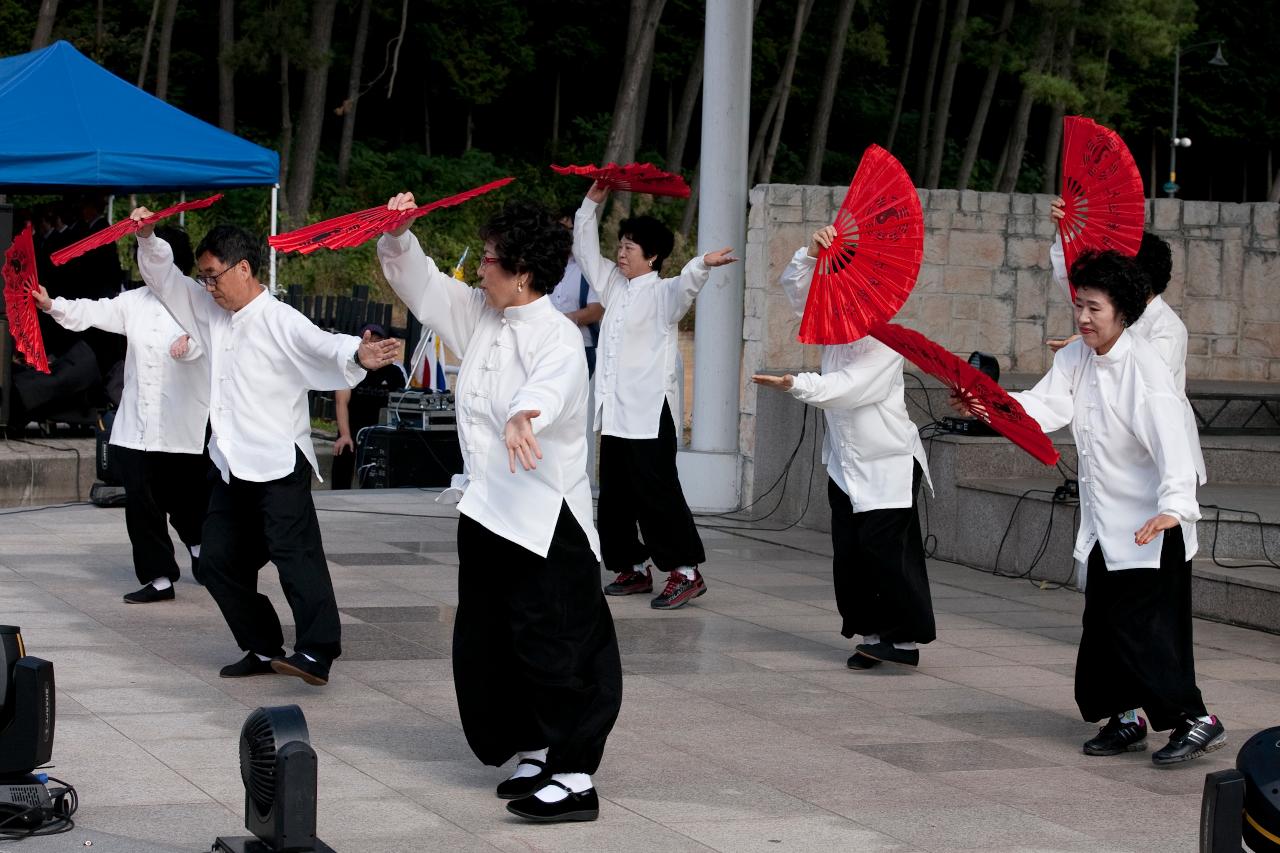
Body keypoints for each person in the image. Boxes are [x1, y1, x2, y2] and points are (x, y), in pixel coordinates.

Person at [378, 195, 622, 824]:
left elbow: (554, 390)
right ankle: (536, 748)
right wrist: (399, 231)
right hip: (487, 507)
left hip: (547, 518)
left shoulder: (558, 337)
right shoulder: (479, 314)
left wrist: (523, 414)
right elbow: (421, 281)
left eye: (489, 260)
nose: (479, 268)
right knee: (492, 642)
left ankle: (574, 776)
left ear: (521, 273)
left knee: (557, 642)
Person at [133, 211, 400, 687]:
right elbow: (165, 280)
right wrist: (147, 236)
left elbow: (323, 346)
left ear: (243, 269)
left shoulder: (279, 319)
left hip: (279, 462)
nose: (208, 286)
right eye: (203, 277)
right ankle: (260, 645)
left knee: (296, 557)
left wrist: (358, 355)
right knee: (215, 560)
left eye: (214, 276)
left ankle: (318, 651)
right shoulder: (209, 311)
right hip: (231, 465)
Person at [997, 249, 1223, 765]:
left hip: (1151, 524)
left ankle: (1196, 720)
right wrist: (993, 404)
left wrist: (1174, 507)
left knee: (1143, 630)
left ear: (1122, 311)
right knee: (1101, 625)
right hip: (1104, 521)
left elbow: (1173, 443)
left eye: (1094, 308)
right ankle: (1124, 717)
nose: (1083, 318)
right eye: (1079, 305)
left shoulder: (1145, 369)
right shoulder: (1076, 357)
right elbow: (1045, 405)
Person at [753, 226, 936, 669]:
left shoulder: (887, 340)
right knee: (852, 557)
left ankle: (904, 642)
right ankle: (872, 635)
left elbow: (848, 388)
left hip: (887, 464)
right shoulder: (835, 326)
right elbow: (799, 294)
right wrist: (811, 256)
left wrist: (797, 383)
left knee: (889, 557)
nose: (837, 295)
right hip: (844, 463)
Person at [573, 182, 736, 608]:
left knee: (657, 494)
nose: (621, 253)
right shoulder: (612, 286)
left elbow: (687, 283)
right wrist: (593, 201)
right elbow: (585, 247)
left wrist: (703, 262)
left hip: (649, 414)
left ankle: (685, 571)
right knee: (614, 497)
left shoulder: (664, 295)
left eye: (630, 247)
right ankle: (632, 568)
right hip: (614, 414)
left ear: (653, 257)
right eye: (621, 245)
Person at [32, 226, 210, 604]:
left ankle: (199, 546)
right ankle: (159, 577)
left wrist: (192, 344)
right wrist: (53, 305)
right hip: (135, 424)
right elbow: (94, 311)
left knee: (183, 498)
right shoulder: (133, 301)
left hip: (181, 423)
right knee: (141, 500)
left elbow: (213, 339)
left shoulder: (199, 297)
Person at [331, 322, 407, 489]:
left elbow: (401, 403)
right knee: (343, 450)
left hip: (381, 431)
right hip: (351, 428)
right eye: (368, 340)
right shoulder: (348, 366)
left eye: (377, 339)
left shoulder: (393, 372)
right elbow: (341, 401)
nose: (373, 343)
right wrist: (344, 434)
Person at [550, 206, 604, 377]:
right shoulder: (541, 265)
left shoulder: (588, 269)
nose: (563, 235)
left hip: (581, 346)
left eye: (569, 230)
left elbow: (595, 311)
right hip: (545, 345)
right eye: (558, 229)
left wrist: (557, 322)